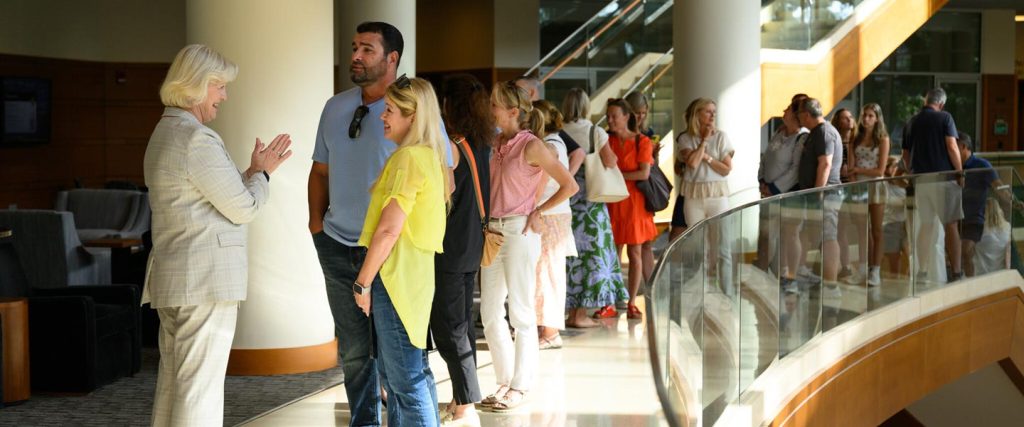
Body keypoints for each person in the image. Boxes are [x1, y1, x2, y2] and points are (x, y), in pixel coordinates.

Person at [307, 22, 452, 426]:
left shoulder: (413, 132)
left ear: (392, 59)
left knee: (403, 370)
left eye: (367, 49)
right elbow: (319, 171)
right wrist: (317, 226)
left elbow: (436, 187)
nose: (356, 55)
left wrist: (374, 270)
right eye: (354, 47)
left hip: (389, 261)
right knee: (365, 357)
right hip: (338, 244)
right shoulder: (335, 108)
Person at [144, 44, 293, 426]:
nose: (224, 96)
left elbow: (209, 199)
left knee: (174, 386)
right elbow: (243, 208)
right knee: (200, 391)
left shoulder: (164, 132)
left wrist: (251, 172)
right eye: (220, 86)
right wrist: (263, 175)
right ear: (197, 85)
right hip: (205, 284)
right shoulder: (197, 138)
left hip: (177, 280)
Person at [353, 76, 448, 427]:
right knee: (412, 376)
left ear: (413, 116)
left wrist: (362, 283)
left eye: (390, 110)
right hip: (414, 279)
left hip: (396, 280)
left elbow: (390, 228)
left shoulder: (408, 159)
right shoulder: (428, 157)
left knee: (406, 382)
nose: (382, 116)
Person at [480, 81, 577, 412]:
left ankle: (520, 385)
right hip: (492, 231)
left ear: (513, 112)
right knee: (490, 312)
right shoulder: (495, 142)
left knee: (520, 312)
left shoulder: (532, 146)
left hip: (520, 231)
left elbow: (570, 184)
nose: (490, 109)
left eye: (494, 104)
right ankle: (505, 380)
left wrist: (538, 211)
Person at [431, 74, 492, 426]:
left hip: (451, 246)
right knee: (463, 323)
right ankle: (461, 396)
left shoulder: (453, 146)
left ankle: (467, 402)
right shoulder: (481, 143)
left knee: (451, 328)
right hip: (472, 244)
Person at [560, 88, 628, 326]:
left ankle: (569, 313)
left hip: (565, 201)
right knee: (592, 257)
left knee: (568, 256)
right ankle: (580, 315)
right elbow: (609, 161)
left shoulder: (559, 130)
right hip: (591, 202)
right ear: (586, 107)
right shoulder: (594, 131)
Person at [901, 88, 963, 283]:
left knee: (926, 225)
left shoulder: (911, 121)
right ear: (941, 104)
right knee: (951, 225)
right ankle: (956, 272)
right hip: (944, 180)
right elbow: (952, 146)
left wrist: (912, 174)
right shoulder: (945, 118)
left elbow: (905, 155)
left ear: (925, 101)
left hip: (921, 182)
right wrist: (960, 172)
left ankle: (922, 272)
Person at [530, 100, 577, 349]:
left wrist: (534, 209)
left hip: (550, 215)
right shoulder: (557, 142)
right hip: (556, 214)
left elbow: (541, 185)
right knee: (548, 270)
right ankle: (546, 329)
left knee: (546, 271)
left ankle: (549, 332)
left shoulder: (548, 145)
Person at [606, 98, 657, 319]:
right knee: (612, 252)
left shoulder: (642, 141)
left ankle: (632, 301)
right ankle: (611, 300)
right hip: (613, 201)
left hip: (635, 203)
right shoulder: (606, 140)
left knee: (634, 253)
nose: (610, 120)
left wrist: (617, 175)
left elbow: (644, 174)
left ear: (626, 116)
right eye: (608, 116)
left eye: (614, 116)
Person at [795, 98, 843, 296]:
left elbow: (825, 164)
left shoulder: (824, 132)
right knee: (819, 236)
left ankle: (832, 286)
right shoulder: (815, 133)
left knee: (829, 237)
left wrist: (817, 193)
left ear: (806, 114)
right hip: (819, 194)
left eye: (799, 114)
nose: (799, 118)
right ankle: (812, 276)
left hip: (826, 195)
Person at [757, 94, 808, 278]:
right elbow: (766, 158)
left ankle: (789, 275)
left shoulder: (802, 137)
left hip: (788, 196)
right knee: (767, 234)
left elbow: (795, 169)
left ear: (795, 115)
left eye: (787, 110)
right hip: (768, 193)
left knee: (789, 235)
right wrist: (762, 181)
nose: (783, 112)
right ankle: (765, 271)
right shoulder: (779, 132)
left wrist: (775, 188)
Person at [849, 103, 890, 286]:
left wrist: (857, 169)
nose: (866, 119)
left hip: (875, 186)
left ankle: (876, 270)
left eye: (870, 116)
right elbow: (850, 168)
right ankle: (863, 268)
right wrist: (853, 178)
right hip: (858, 187)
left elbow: (880, 170)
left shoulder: (883, 139)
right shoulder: (855, 137)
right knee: (861, 230)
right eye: (864, 115)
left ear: (877, 118)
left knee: (877, 229)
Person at [830, 108, 858, 282]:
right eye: (844, 118)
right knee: (840, 230)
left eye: (850, 117)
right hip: (839, 187)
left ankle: (853, 266)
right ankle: (844, 266)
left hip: (855, 189)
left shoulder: (857, 140)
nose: (848, 120)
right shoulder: (835, 139)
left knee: (849, 229)